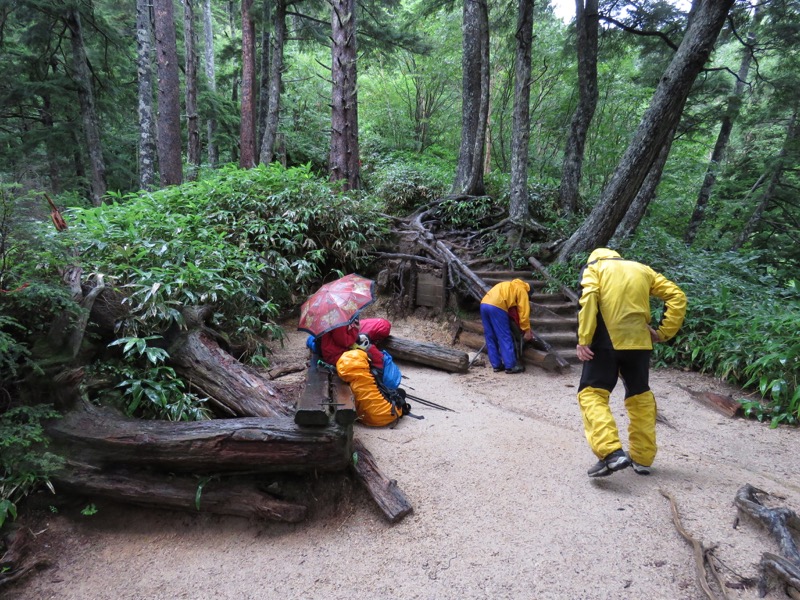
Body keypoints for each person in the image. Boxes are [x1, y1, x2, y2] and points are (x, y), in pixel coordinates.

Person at [576, 248, 687, 478]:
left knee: (592, 394)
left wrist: (584, 339)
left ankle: (611, 453)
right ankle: (643, 457)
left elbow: (589, 299)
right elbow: (677, 296)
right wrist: (663, 332)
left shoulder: (595, 268)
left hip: (605, 342)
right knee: (640, 396)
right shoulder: (642, 269)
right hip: (640, 343)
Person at [480, 279, 534, 374]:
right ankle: (510, 366)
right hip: (497, 306)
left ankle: (496, 365)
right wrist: (526, 330)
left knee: (490, 336)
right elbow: (524, 313)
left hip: (484, 304)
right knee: (504, 336)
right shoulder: (522, 290)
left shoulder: (510, 285)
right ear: (528, 292)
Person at [318, 316, 390, 371]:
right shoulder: (338, 320)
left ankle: (380, 369)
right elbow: (345, 342)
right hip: (335, 356)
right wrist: (356, 329)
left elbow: (342, 338)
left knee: (368, 350)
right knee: (370, 352)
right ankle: (380, 371)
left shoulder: (331, 317)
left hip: (333, 353)